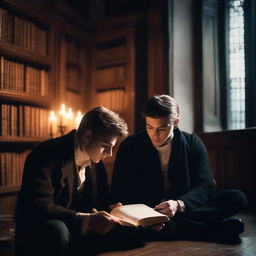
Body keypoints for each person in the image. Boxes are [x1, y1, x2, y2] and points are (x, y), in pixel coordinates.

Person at [110, 94, 247, 244]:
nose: (154, 135)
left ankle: (177, 228)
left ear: (175, 123)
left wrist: (179, 204)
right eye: (149, 127)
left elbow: (206, 185)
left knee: (237, 197)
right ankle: (215, 231)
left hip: (185, 210)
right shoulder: (130, 145)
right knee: (141, 228)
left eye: (162, 128)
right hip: (148, 212)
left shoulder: (193, 143)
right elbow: (118, 187)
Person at [15, 106, 129, 256]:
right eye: (105, 147)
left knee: (130, 233)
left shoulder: (97, 162)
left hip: (77, 230)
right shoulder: (46, 153)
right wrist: (87, 220)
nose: (109, 153)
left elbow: (99, 200)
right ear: (88, 136)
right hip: (45, 227)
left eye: (112, 147)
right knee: (57, 231)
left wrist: (112, 208)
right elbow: (39, 206)